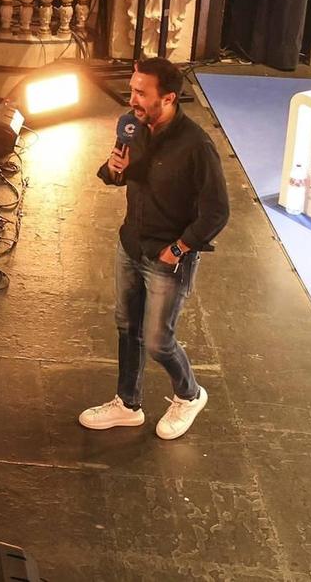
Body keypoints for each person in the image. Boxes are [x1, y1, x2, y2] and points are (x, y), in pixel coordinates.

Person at [79, 57, 227, 441]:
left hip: (168, 256)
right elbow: (120, 174)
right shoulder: (134, 128)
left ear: (170, 98)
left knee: (159, 340)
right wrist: (115, 170)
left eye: (142, 93)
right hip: (131, 243)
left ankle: (189, 394)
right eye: (133, 91)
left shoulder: (197, 147)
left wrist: (179, 249)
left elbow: (217, 212)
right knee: (128, 327)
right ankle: (127, 404)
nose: (133, 100)